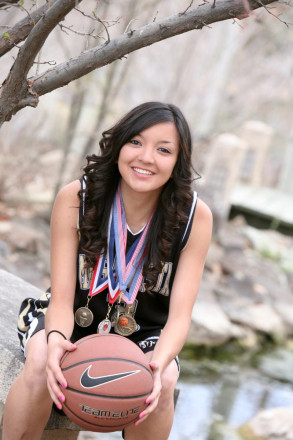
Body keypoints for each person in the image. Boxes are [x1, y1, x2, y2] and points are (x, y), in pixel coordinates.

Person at [2, 101, 212, 440]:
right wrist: (55, 340)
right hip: (71, 316)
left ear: (177, 162)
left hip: (144, 333)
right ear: (119, 145)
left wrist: (159, 365)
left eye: (163, 149)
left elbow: (179, 317)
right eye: (136, 142)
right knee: (41, 361)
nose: (146, 157)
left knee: (166, 379)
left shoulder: (194, 218)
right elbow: (61, 296)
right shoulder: (77, 198)